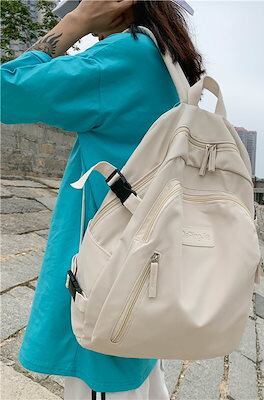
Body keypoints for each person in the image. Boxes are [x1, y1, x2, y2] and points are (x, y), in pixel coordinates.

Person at [1, 1, 204, 398]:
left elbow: (7, 90)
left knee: (104, 380)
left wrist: (75, 23)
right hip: (141, 269)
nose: (85, 15)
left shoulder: (122, 56)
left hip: (104, 283)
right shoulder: (166, 60)